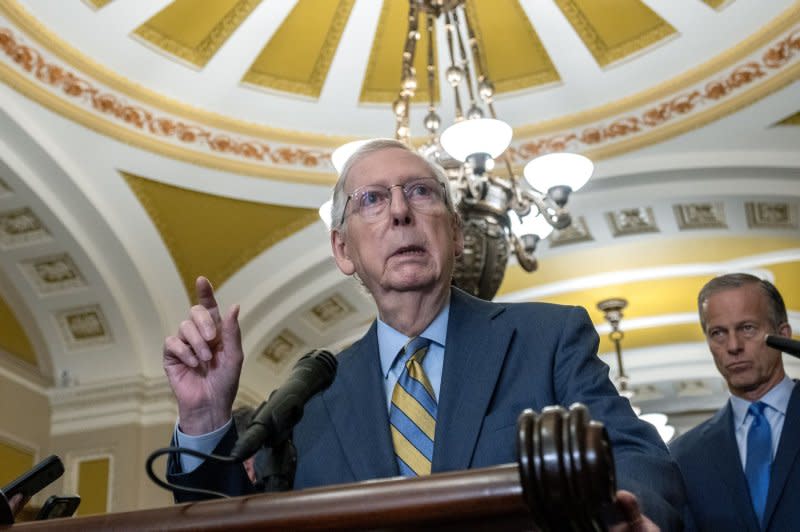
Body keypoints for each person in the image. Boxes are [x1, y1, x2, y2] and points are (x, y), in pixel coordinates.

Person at [163, 139, 685, 530]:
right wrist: (205, 416)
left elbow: (639, 459)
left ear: (456, 234)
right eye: (370, 199)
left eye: (419, 192)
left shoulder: (547, 339)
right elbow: (231, 521)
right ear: (343, 250)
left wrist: (634, 519)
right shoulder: (310, 396)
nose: (399, 211)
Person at [670, 273, 798, 531]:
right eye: (718, 333)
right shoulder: (683, 456)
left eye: (747, 328)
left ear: (782, 333)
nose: (733, 345)